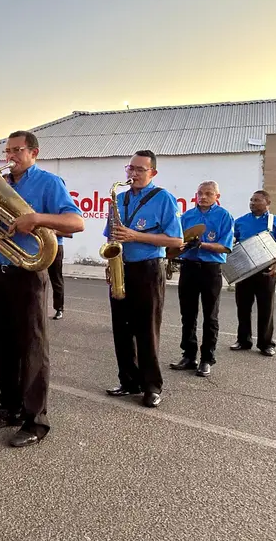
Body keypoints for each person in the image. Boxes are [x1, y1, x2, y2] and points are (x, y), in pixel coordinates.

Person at [0, 131, 84, 448]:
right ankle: (9, 408)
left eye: (17, 150)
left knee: (32, 349)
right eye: (7, 150)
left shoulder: (49, 183)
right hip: (0, 271)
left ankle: (35, 421)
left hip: (28, 273)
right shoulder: (0, 184)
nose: (10, 155)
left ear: (34, 152)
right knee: (4, 345)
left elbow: (76, 222)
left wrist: (36, 219)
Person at [103, 150, 183, 409]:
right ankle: (128, 381)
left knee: (146, 330)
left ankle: (151, 386)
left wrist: (135, 236)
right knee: (121, 330)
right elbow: (111, 235)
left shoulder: (164, 199)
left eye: (140, 169)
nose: (133, 174)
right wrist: (110, 263)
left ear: (153, 173)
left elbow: (176, 240)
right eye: (130, 168)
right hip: (121, 268)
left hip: (148, 269)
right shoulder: (119, 198)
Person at [168, 181, 234, 377]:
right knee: (188, 315)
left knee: (210, 316)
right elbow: (177, 242)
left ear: (217, 196)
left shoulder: (224, 216)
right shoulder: (187, 216)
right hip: (188, 268)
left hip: (210, 269)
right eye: (200, 193)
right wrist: (177, 249)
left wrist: (202, 245)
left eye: (208, 193)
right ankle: (189, 355)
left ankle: (207, 359)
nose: (203, 197)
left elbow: (225, 247)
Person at [230, 190, 276, 357]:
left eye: (257, 200)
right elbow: (232, 243)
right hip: (244, 271)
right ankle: (243, 340)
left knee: (265, 308)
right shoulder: (240, 222)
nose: (252, 203)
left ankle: (266, 344)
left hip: (266, 272)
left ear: (267, 204)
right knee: (243, 307)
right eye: (251, 200)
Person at [48, 233, 65, 320]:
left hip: (56, 246)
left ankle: (59, 308)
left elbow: (68, 233)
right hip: (37, 245)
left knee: (56, 279)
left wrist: (50, 230)